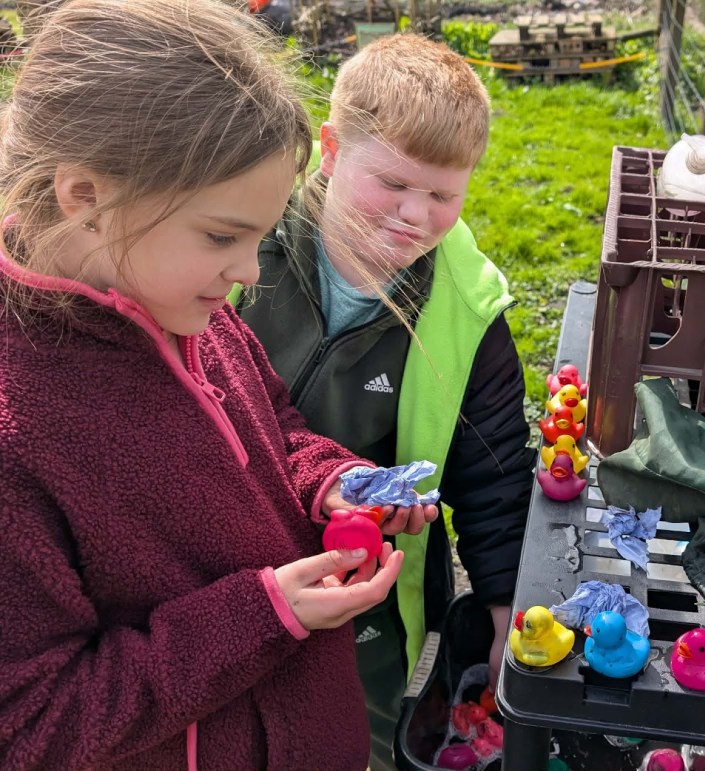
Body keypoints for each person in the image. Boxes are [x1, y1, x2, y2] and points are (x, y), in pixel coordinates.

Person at [0, 1, 414, 768]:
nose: (250, 271)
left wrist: (330, 480)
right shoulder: (20, 429)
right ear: (84, 196)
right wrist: (264, 613)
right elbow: (34, 723)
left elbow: (275, 426)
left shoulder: (183, 303)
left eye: (261, 236)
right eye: (223, 235)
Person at [239, 34, 534, 769]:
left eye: (443, 195)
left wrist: (505, 613)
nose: (413, 215)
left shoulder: (468, 311)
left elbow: (495, 477)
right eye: (394, 183)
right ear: (331, 149)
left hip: (368, 604)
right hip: (224, 574)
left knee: (355, 740)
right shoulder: (241, 243)